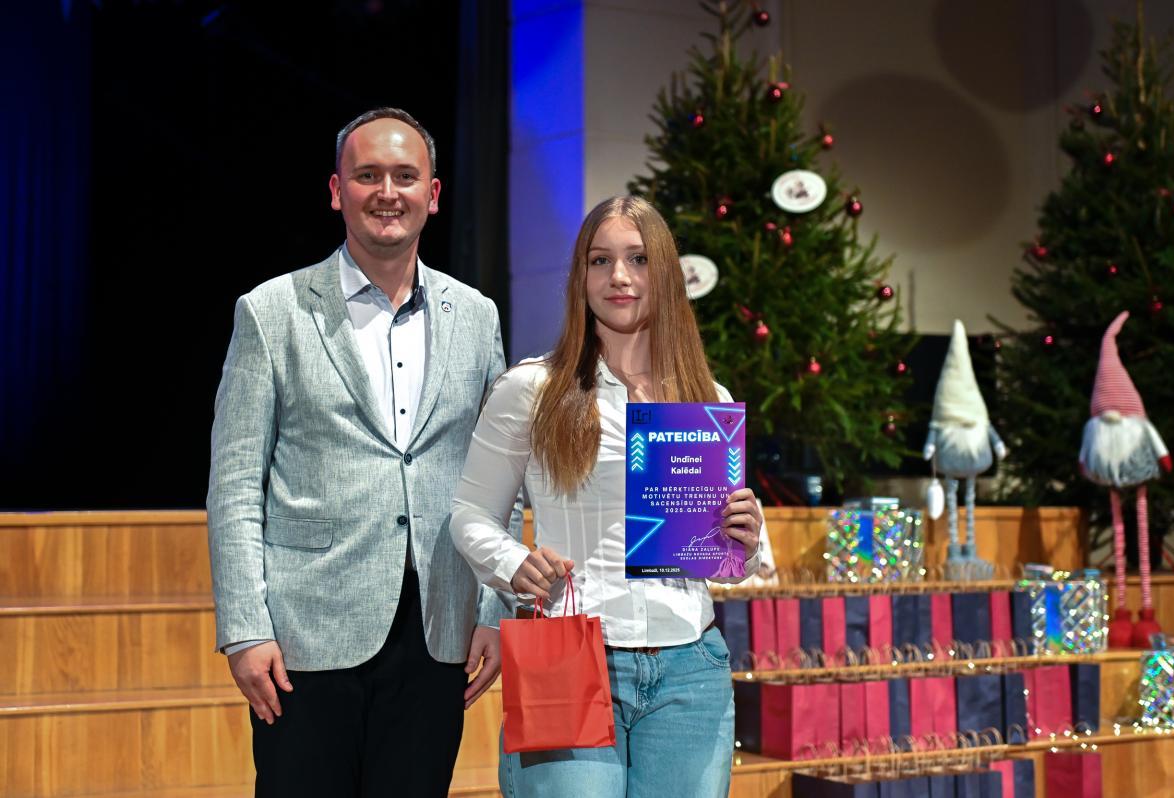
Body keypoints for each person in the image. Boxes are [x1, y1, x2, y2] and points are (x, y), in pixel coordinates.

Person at [207, 107, 517, 796]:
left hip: (439, 628)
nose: (387, 192)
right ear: (336, 190)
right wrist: (245, 629)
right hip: (305, 635)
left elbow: (500, 479)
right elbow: (234, 486)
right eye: (368, 175)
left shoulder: (477, 316)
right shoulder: (271, 311)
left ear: (433, 194)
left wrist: (496, 611)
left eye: (405, 176)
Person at [449, 196, 763, 797]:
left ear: (664, 273)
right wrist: (515, 563)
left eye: (638, 259)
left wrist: (745, 538)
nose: (619, 276)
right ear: (580, 276)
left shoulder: (708, 399)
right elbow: (470, 514)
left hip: (691, 667)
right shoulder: (531, 389)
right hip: (571, 656)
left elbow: (731, 559)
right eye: (601, 260)